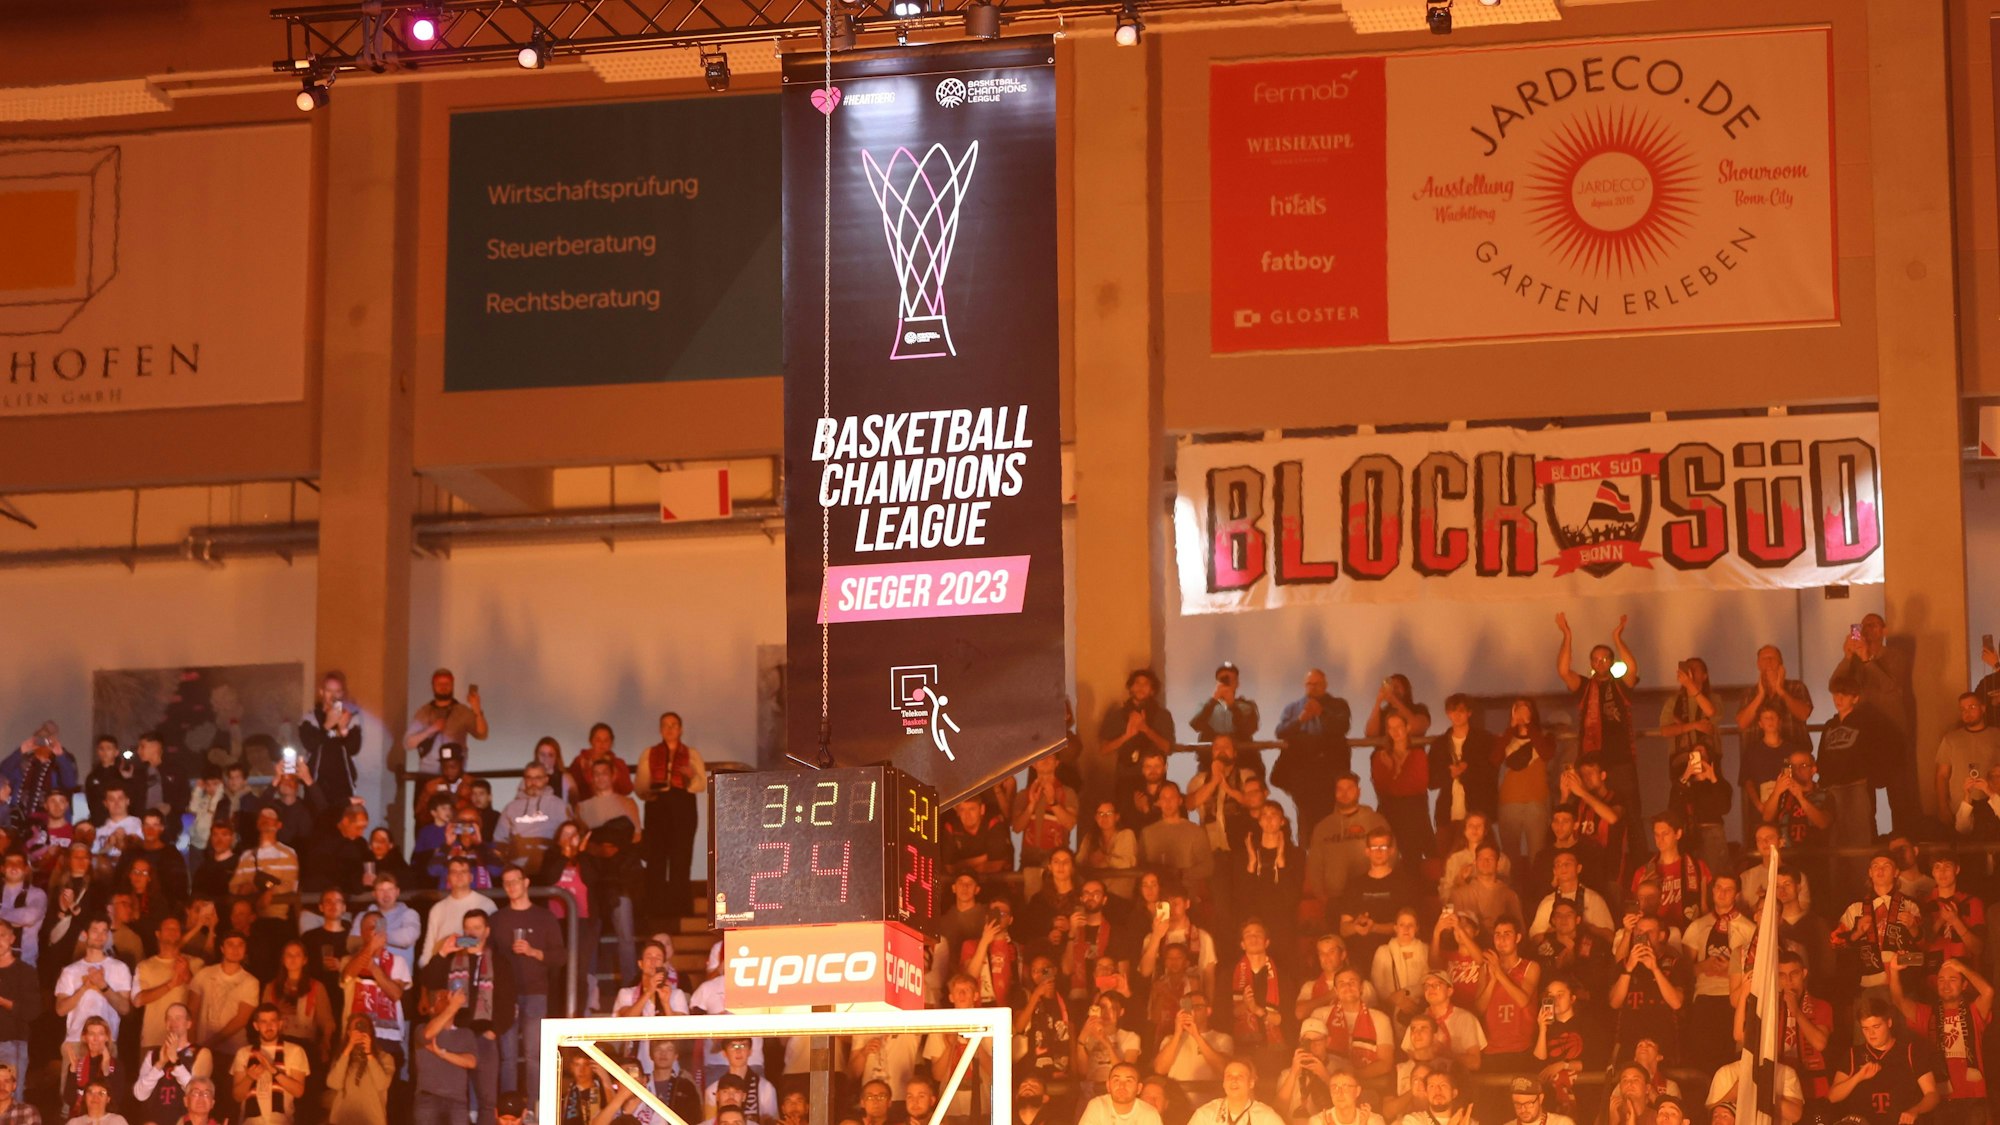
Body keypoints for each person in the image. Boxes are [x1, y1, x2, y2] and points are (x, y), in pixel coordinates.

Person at [1556, 612, 1642, 829]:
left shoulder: (1620, 684)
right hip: (1591, 762)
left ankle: (1635, 859)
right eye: (1595, 659)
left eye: (1604, 658)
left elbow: (1632, 668)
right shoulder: (1585, 686)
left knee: (1630, 813)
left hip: (1621, 760)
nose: (1599, 662)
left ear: (1611, 662)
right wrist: (1567, 635)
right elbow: (1563, 671)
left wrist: (1617, 638)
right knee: (1589, 812)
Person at [1886, 954, 1992, 1119]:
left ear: (1964, 985)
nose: (1946, 985)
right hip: (1940, 1098)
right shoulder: (1926, 1014)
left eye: (1952, 979)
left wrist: (1962, 968)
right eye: (1941, 980)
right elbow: (1899, 1001)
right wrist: (1893, 971)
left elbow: (1988, 991)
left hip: (1973, 1095)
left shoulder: (1974, 1011)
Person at [491, 864, 565, 1097]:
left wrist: (534, 952)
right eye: (507, 882)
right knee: (507, 1056)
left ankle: (536, 1108)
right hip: (505, 995)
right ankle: (509, 1111)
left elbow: (560, 956)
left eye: (515, 881)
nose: (512, 886)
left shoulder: (544, 917)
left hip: (535, 992)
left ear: (526, 882)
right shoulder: (497, 919)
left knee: (534, 1055)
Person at [635, 711, 706, 921]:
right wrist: (649, 793)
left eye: (674, 725)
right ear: (660, 729)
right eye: (665, 725)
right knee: (656, 858)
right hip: (657, 806)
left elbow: (701, 784)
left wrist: (691, 776)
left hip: (683, 806)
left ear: (681, 729)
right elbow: (640, 786)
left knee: (681, 858)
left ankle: (679, 909)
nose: (670, 729)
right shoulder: (649, 753)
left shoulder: (692, 754)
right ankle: (655, 910)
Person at [1678, 874, 1750, 1073]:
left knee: (1729, 1060)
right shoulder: (1698, 926)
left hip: (1733, 999)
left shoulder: (1748, 928)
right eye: (1718, 887)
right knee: (1702, 1059)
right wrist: (1704, 966)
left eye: (1728, 889)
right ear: (1712, 890)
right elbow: (1683, 970)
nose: (1722, 893)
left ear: (1737, 894)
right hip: (1704, 999)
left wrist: (1732, 970)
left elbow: (1755, 971)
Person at [1829, 999, 1940, 1125]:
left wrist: (1915, 1110)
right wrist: (1858, 1077)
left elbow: (1932, 1094)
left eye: (1876, 1026)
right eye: (1865, 1028)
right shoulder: (1853, 1054)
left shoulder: (1911, 1052)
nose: (1871, 1034)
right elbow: (1832, 1097)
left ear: (1889, 1022)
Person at [1274, 669, 1354, 839]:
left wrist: (1321, 713)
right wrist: (1300, 719)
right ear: (1305, 685)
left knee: (1330, 816)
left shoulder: (1338, 705)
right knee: (1305, 819)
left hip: (1329, 771)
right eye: (1310, 684)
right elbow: (1280, 732)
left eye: (1317, 684)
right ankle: (1307, 856)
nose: (1313, 688)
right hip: (1302, 773)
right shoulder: (1293, 708)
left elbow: (1342, 727)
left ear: (1325, 685)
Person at [1306, 774, 1390, 910]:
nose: (1345, 793)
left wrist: (1383, 888)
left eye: (1350, 788)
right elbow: (1314, 866)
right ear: (1334, 793)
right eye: (1340, 789)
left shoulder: (1376, 821)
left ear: (1359, 791)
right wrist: (1323, 898)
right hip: (1335, 899)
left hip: (1371, 895)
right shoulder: (1323, 827)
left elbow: (1391, 855)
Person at [1429, 695, 1499, 856]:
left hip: (1477, 808)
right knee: (1446, 858)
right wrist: (1450, 773)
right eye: (1453, 711)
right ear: (1448, 713)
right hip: (1447, 812)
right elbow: (1431, 781)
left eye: (1461, 710)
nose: (1457, 715)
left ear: (1469, 713)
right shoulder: (1439, 744)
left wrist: (1468, 771)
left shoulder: (1484, 740)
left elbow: (1491, 773)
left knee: (1481, 855)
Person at [341, 910, 412, 1068]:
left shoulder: (398, 961)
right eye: (370, 927)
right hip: (358, 1035)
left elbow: (395, 994)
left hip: (389, 1038)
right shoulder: (350, 960)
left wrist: (373, 967)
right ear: (361, 932)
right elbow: (347, 976)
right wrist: (370, 949)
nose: (375, 931)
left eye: (378, 927)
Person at [1495, 698, 1556, 864]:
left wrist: (1529, 726)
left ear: (1532, 712)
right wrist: (1511, 729)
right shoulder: (1505, 738)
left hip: (1536, 802)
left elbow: (1546, 753)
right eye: (1517, 708)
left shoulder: (1545, 737)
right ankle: (1512, 889)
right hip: (1508, 803)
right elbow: (1494, 759)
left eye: (1525, 708)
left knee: (1537, 856)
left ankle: (1536, 890)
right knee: (1510, 857)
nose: (1521, 712)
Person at [132, 1003, 213, 1125]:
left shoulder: (201, 1053)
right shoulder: (153, 1054)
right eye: (169, 1018)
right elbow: (140, 1094)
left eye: (178, 1018)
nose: (173, 1022)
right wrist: (160, 1064)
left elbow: (197, 1093)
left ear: (188, 1024)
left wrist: (176, 1061)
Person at [56, 918, 134, 1045]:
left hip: (106, 1042)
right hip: (76, 1041)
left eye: (104, 931)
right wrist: (84, 988)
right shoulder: (70, 971)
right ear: (85, 934)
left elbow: (124, 1009)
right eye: (95, 931)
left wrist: (102, 985)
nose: (100, 936)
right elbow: (60, 1010)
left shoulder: (120, 968)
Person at [187, 933, 258, 1061]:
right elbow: (191, 1011)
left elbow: (240, 1020)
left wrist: (208, 1045)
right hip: (200, 1049)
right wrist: (191, 1046)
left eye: (240, 945)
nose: (235, 949)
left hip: (232, 1052)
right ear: (222, 949)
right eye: (230, 944)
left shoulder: (251, 982)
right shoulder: (204, 974)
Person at [405, 669, 489, 776]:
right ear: (433, 686)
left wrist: (477, 709)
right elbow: (408, 743)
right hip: (428, 774)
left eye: (447, 683)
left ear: (452, 685)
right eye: (439, 683)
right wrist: (432, 729)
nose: (443, 687)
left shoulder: (462, 711)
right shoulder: (425, 712)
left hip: (455, 773)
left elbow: (482, 735)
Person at [1935, 691, 2000, 829]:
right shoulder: (1950, 739)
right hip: (1960, 808)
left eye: (1972, 707)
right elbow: (1942, 775)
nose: (1967, 712)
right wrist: (1942, 807)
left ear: (1983, 708)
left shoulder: (1997, 735)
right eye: (1963, 709)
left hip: (1994, 806)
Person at [413, 988, 478, 1125]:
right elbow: (427, 1035)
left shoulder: (466, 1034)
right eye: (440, 997)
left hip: (457, 1101)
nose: (448, 998)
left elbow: (471, 1062)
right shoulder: (421, 1028)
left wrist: (441, 1053)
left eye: (449, 995)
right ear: (431, 1009)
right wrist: (454, 1006)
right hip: (429, 1099)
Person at [1372, 714, 1431, 863]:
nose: (1395, 731)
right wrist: (1397, 774)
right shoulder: (1379, 757)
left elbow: (1419, 786)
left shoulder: (1418, 755)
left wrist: (1394, 769)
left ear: (1407, 728)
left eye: (1398, 726)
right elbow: (1382, 788)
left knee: (1412, 857)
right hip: (1389, 810)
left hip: (1413, 813)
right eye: (1391, 728)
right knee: (1387, 856)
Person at [422, 857, 498, 967]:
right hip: (442, 970)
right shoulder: (437, 909)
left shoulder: (486, 904)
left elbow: (490, 942)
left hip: (476, 969)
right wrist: (426, 969)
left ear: (471, 877)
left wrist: (451, 942)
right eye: (454, 872)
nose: (459, 875)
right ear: (448, 878)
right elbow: (428, 950)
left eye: (463, 871)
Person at [1141, 785, 1214, 899]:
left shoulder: (1195, 831)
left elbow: (1208, 866)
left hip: (1185, 896)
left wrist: (1183, 874)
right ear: (1158, 802)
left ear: (1180, 801)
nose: (1168, 802)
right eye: (1164, 798)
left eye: (1172, 798)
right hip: (1155, 896)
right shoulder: (1147, 833)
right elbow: (1141, 865)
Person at [228, 809, 299, 923]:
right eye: (262, 816)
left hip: (277, 921)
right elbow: (233, 886)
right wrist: (244, 888)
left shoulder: (288, 854)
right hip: (248, 922)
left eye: (270, 815)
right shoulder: (247, 855)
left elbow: (291, 885)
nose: (265, 818)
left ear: (278, 824)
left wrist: (271, 891)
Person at [325, 1015, 394, 1125]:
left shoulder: (385, 1058)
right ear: (348, 1032)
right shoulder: (342, 1057)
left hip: (372, 1120)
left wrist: (370, 1054)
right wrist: (348, 1049)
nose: (360, 1032)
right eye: (356, 1029)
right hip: (343, 1120)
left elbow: (382, 1084)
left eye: (364, 1028)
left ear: (370, 1031)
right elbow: (334, 1083)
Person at [1153, 991, 1231, 1082]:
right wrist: (1177, 1034)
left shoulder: (1222, 1039)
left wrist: (1196, 1036)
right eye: (1188, 1008)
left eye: (1197, 1007)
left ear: (1208, 1011)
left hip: (1209, 1093)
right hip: (1176, 1093)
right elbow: (1159, 1070)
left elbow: (1223, 1070)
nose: (1192, 1012)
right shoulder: (1170, 1039)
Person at [1191, 661, 1261, 753]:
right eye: (1222, 680)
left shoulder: (1247, 706)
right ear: (1216, 683)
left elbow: (1249, 730)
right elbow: (1196, 725)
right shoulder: (1206, 706)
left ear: (1237, 683)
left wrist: (1233, 706)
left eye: (1231, 680)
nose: (1227, 683)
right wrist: (1213, 700)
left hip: (1242, 759)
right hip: (1210, 760)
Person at [1187, 1060, 1284, 1125]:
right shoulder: (1206, 1114)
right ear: (1224, 1083)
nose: (1234, 1080)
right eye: (1229, 1076)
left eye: (1240, 1076)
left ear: (1251, 1083)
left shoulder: (1265, 1117)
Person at [1078, 1062, 1163, 1125]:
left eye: (1129, 1081)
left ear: (1139, 1088)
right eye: (1116, 1080)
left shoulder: (1149, 1114)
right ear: (1108, 1086)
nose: (1122, 1086)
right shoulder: (1097, 1106)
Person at [63, 1079, 128, 1125]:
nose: (95, 1097)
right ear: (85, 1097)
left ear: (108, 1099)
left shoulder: (117, 1121)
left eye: (101, 1093)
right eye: (90, 1092)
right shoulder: (74, 1123)